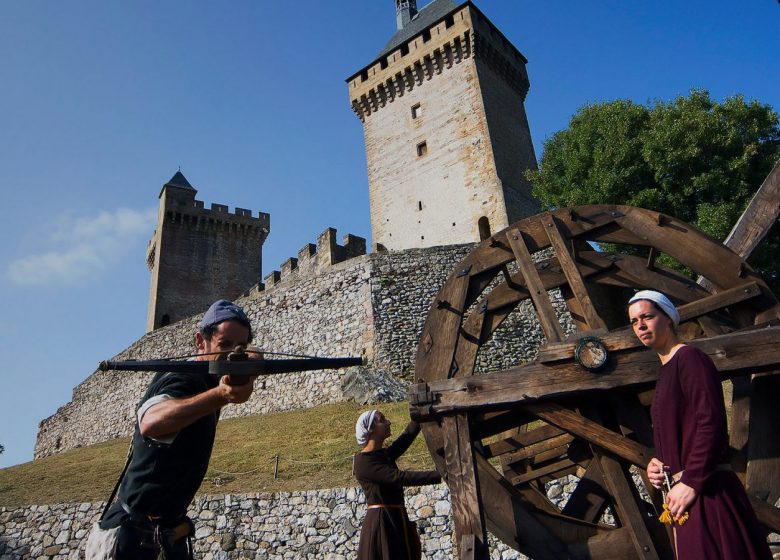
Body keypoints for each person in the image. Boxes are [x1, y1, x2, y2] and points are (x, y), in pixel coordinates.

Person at [86, 299, 257, 560]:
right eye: (224, 345)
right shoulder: (182, 378)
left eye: (240, 347)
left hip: (165, 535)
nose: (232, 354)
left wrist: (252, 361)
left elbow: (244, 359)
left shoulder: (209, 376)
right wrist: (223, 394)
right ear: (201, 341)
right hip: (133, 539)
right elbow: (152, 422)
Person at [627, 290, 771, 560]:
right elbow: (681, 430)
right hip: (684, 497)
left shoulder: (689, 359)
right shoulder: (667, 370)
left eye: (647, 317)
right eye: (635, 321)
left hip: (707, 493)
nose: (641, 326)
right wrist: (659, 463)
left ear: (668, 318)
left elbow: (711, 422)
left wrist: (691, 481)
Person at [353, 410, 441, 560]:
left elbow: (404, 440)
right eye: (382, 420)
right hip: (382, 523)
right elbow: (398, 477)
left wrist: (419, 418)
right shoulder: (363, 463)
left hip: (395, 518)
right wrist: (441, 474)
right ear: (371, 429)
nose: (388, 422)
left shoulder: (381, 455)